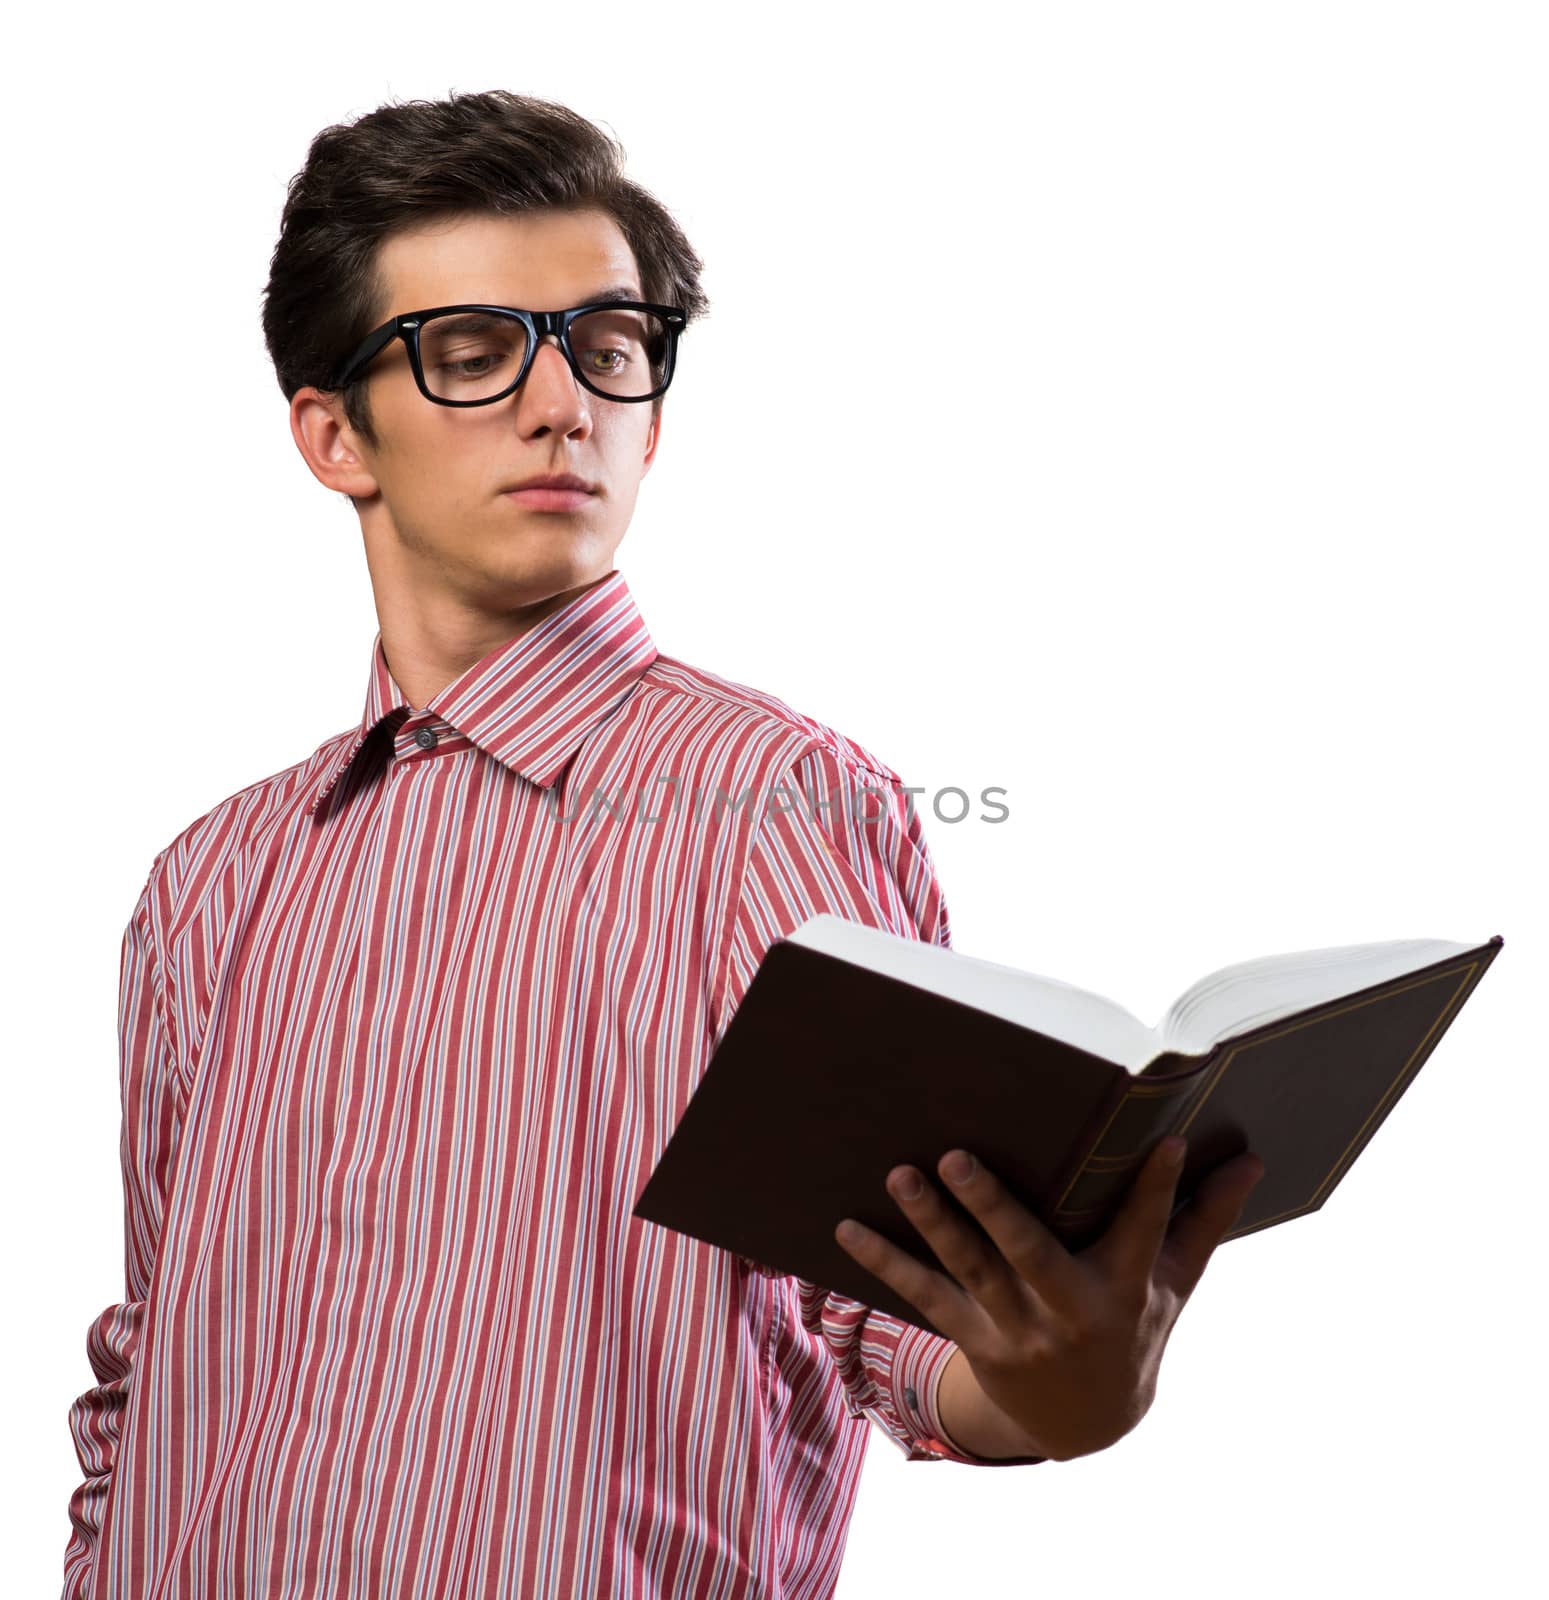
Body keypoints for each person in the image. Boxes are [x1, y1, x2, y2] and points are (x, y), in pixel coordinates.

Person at [61, 89, 1265, 1599]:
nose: (565, 404)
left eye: (609, 350)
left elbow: (899, 1325)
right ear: (332, 434)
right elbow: (145, 1369)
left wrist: (1054, 1391)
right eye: (474, 352)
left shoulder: (778, 804)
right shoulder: (211, 882)